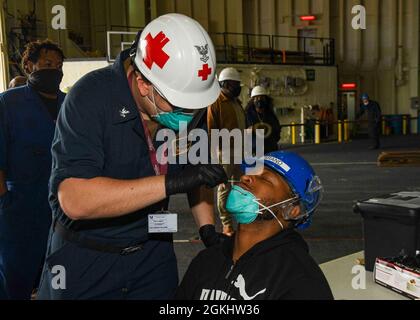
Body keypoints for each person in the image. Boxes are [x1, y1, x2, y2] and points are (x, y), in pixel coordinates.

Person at [36, 13, 227, 300]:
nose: (188, 116)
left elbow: (195, 172)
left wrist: (207, 227)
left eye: (195, 108)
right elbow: (74, 199)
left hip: (152, 254)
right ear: (143, 84)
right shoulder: (91, 97)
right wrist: (171, 183)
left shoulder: (183, 106)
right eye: (180, 106)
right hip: (87, 257)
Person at [176, 151, 334, 300]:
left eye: (265, 179)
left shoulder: (298, 278)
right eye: (251, 173)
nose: (245, 177)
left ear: (292, 209)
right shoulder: (207, 261)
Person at [0, 40, 66, 300]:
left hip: (63, 210)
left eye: (59, 66)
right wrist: (4, 201)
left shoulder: (70, 104)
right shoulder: (8, 104)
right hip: (20, 210)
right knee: (15, 280)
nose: (55, 70)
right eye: (48, 64)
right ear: (29, 66)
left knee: (59, 282)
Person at [246, 86, 281, 153]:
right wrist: (250, 130)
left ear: (266, 99)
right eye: (256, 98)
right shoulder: (247, 115)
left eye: (261, 97)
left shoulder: (271, 115)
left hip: (271, 150)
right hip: (254, 151)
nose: (259, 100)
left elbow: (277, 131)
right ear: (252, 100)